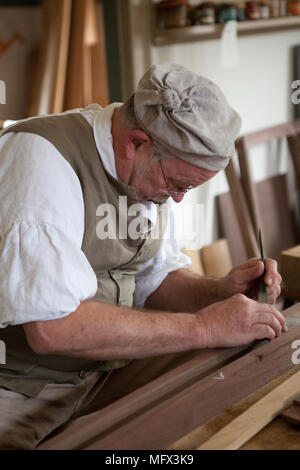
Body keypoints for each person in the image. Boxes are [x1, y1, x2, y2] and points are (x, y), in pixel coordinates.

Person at [0, 63, 284, 449]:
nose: (179, 198)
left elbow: (151, 280)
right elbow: (53, 328)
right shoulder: (43, 160)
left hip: (105, 368)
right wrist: (204, 326)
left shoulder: (147, 167)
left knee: (228, 375)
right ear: (136, 143)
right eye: (176, 184)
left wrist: (218, 291)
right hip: (23, 384)